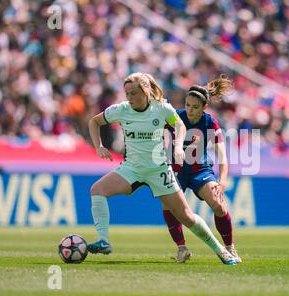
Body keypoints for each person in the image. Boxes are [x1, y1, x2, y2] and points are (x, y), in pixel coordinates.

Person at [87, 72, 238, 265]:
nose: (130, 98)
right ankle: (104, 241)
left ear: (146, 91)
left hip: (159, 170)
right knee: (97, 190)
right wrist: (98, 146)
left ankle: (222, 251)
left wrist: (177, 146)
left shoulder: (162, 109)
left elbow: (180, 126)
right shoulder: (121, 110)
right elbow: (94, 121)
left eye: (134, 93)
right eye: (127, 94)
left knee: (187, 217)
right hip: (131, 169)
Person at [163, 75, 242, 263]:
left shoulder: (210, 123)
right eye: (188, 105)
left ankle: (230, 247)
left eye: (195, 107)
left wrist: (222, 181)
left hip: (201, 171)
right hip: (177, 171)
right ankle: (182, 248)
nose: (190, 110)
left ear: (204, 107)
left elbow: (222, 156)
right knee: (168, 206)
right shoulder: (175, 117)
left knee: (218, 204)